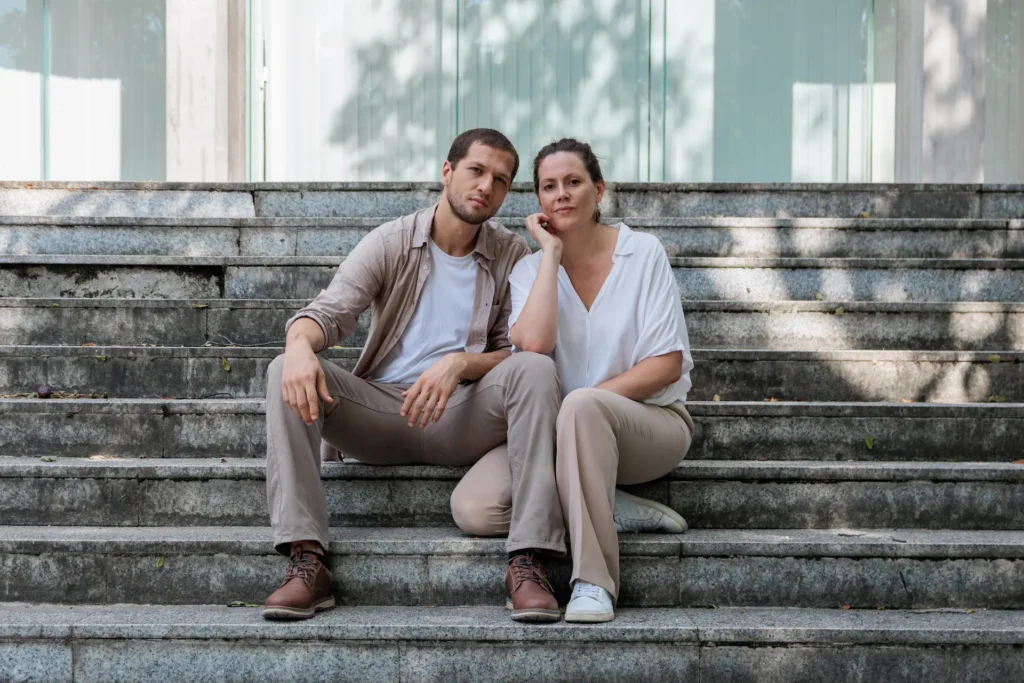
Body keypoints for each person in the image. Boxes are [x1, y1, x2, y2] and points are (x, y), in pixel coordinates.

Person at [263, 128, 565, 623]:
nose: (486, 186)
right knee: (284, 370)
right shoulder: (392, 241)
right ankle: (306, 561)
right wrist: (298, 345)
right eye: (476, 170)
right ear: (447, 172)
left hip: (463, 415)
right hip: (380, 413)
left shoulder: (510, 253)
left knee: (534, 366)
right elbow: (329, 312)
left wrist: (461, 363)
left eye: (501, 179)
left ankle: (528, 561)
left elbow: (520, 347)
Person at [451, 138, 694, 623]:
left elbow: (667, 363)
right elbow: (534, 348)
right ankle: (607, 505)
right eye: (549, 186)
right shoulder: (528, 270)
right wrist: (550, 256)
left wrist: (580, 406)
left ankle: (593, 584)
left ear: (598, 190)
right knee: (473, 508)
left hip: (650, 425)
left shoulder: (642, 253)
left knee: (582, 407)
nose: (561, 194)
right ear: (539, 201)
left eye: (574, 182)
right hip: (564, 437)